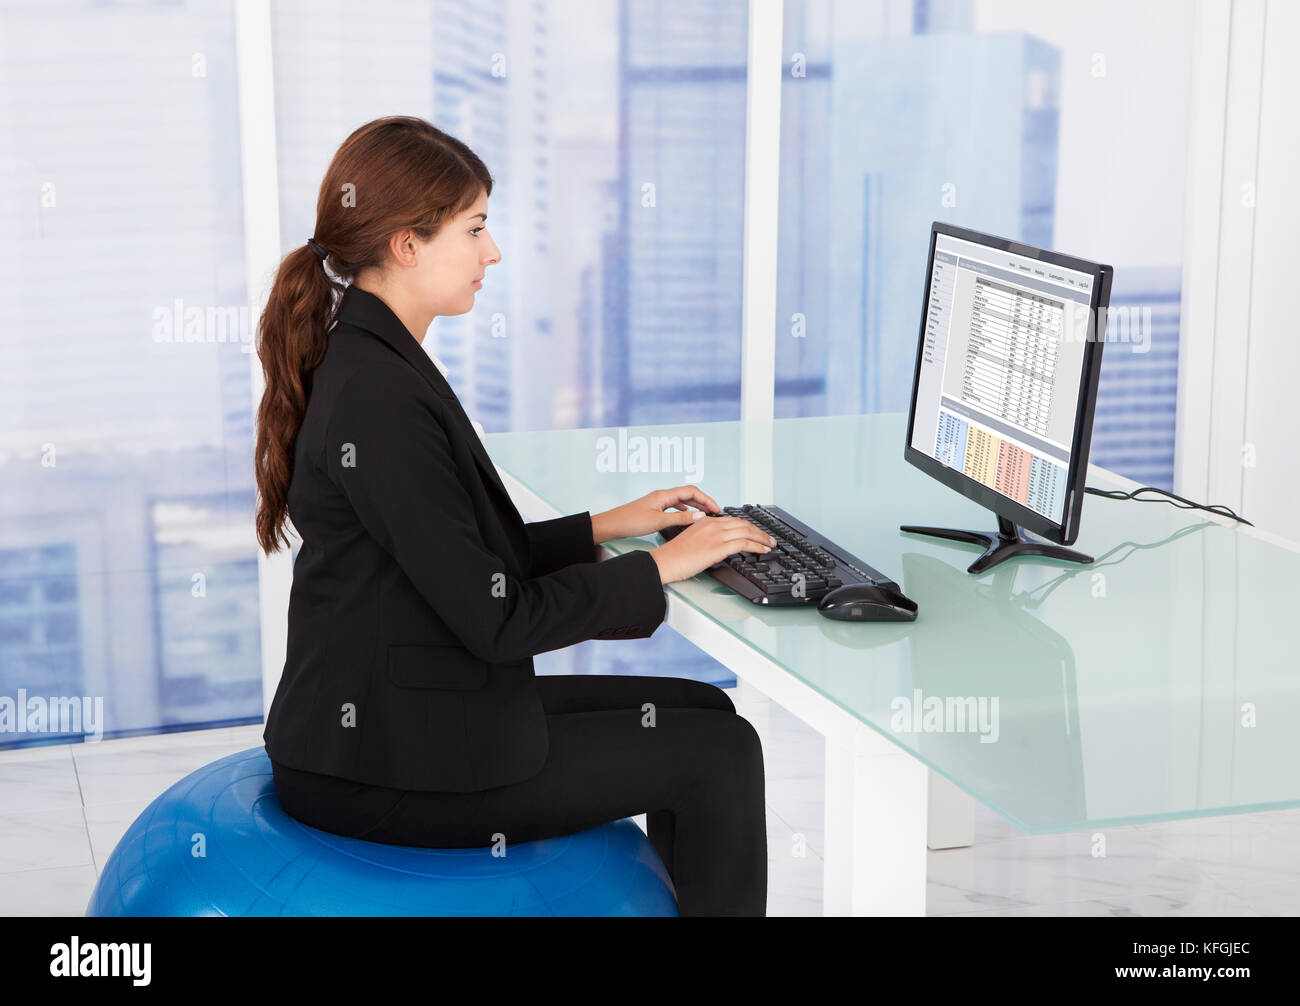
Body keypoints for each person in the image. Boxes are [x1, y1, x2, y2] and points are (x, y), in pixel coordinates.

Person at [253, 116, 775, 916]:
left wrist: (599, 526)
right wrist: (661, 565)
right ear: (406, 245)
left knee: (706, 708)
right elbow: (497, 621)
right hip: (381, 766)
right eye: (475, 229)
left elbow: (450, 555)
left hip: (406, 712)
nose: (491, 253)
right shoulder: (378, 396)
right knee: (721, 752)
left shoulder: (377, 355)